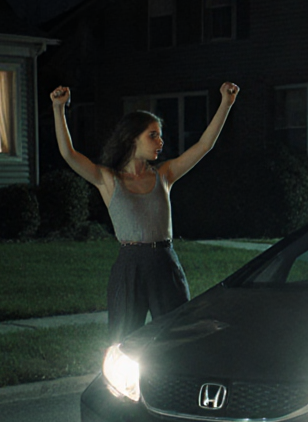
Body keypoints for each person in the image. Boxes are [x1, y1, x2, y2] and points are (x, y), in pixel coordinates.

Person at [50, 82, 239, 342]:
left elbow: (204, 145)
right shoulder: (108, 179)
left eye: (160, 135)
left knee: (177, 338)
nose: (160, 141)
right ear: (131, 138)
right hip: (130, 265)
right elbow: (68, 154)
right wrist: (59, 108)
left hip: (164, 262)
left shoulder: (164, 174)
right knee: (124, 341)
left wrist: (226, 104)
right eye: (153, 135)